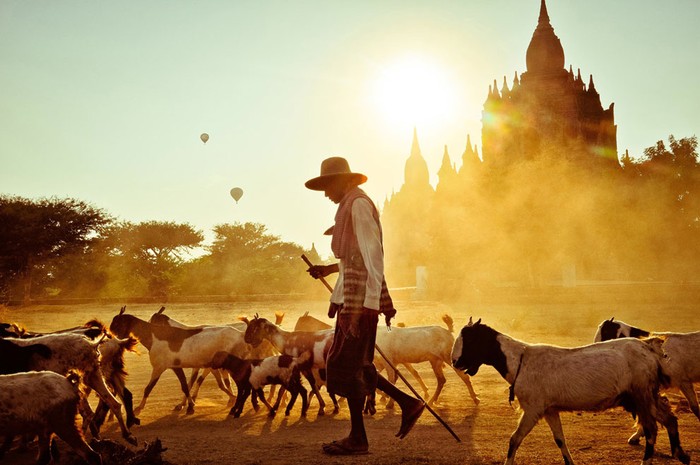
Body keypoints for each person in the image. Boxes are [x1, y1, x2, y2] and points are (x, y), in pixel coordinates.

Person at [305, 156, 425, 456]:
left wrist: (368, 305)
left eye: (328, 185)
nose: (326, 193)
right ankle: (404, 404)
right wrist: (328, 270)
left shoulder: (357, 204)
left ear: (345, 181)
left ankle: (360, 437)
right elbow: (353, 260)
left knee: (341, 368)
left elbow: (373, 256)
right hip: (353, 300)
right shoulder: (349, 205)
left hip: (360, 303)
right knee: (357, 365)